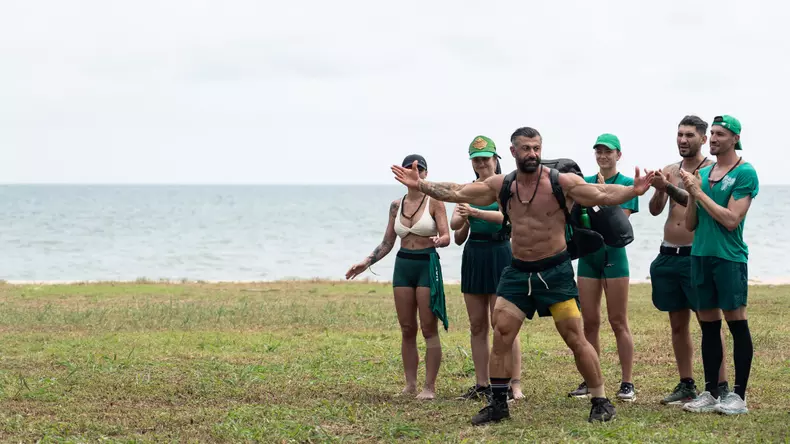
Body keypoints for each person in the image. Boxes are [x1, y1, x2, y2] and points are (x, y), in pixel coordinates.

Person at [391, 127, 656, 424]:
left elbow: (601, 193)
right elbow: (457, 191)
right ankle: (498, 404)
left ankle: (600, 399)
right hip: (518, 271)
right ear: (514, 152)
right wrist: (422, 185)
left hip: (555, 271)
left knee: (574, 337)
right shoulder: (501, 184)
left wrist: (633, 190)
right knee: (502, 332)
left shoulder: (560, 182)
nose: (532, 153)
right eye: (526, 148)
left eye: (536, 148)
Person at [346, 154, 451, 400]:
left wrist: (440, 241)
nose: (415, 173)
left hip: (426, 263)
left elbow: (447, 236)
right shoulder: (396, 205)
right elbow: (387, 242)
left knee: (428, 328)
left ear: (425, 173)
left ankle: (429, 387)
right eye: (409, 170)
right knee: (407, 328)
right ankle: (410, 385)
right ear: (402, 175)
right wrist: (366, 262)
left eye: (420, 170)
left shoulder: (435, 201)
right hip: (403, 265)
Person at [647, 115, 730, 405]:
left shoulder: (711, 172)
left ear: (704, 139)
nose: (683, 140)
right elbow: (656, 210)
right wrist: (659, 186)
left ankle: (720, 385)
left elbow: (691, 199)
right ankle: (686, 383)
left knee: (710, 322)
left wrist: (669, 187)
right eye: (680, 135)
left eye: (690, 135)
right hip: (668, 254)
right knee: (677, 324)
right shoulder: (671, 170)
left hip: (697, 255)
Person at [680, 115, 758, 415]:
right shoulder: (705, 171)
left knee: (737, 324)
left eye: (720, 134)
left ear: (735, 138)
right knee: (709, 327)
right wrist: (691, 194)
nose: (712, 139)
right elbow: (690, 225)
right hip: (700, 256)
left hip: (729, 258)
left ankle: (738, 396)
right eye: (711, 133)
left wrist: (699, 193)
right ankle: (711, 392)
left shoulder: (745, 173)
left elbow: (730, 219)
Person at [450, 135, 523, 402]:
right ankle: (482, 384)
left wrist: (475, 212)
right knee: (477, 324)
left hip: (500, 252)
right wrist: (466, 214)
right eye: (477, 160)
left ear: (496, 160)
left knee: (504, 324)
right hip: (474, 253)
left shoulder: (506, 187)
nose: (482, 164)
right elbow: (455, 225)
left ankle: (514, 384)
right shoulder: (469, 189)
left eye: (486, 159)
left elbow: (508, 218)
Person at [568, 134, 638, 402]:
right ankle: (590, 380)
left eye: (608, 151)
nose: (602, 156)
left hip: (615, 256)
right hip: (588, 257)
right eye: (598, 151)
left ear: (618, 155)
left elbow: (620, 225)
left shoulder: (628, 184)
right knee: (590, 322)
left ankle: (627, 383)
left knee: (618, 320)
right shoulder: (584, 182)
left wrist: (601, 195)